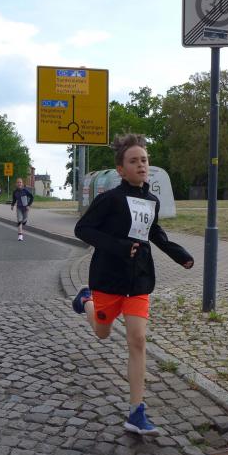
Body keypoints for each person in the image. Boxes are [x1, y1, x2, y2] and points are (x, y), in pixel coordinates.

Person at [72, 133, 194, 436]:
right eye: (134, 161)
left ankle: (136, 412)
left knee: (137, 340)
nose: (141, 165)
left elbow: (154, 233)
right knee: (102, 333)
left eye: (144, 160)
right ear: (121, 169)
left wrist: (180, 255)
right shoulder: (109, 200)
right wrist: (118, 246)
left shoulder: (151, 201)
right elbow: (83, 229)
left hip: (138, 279)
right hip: (108, 279)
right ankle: (86, 301)